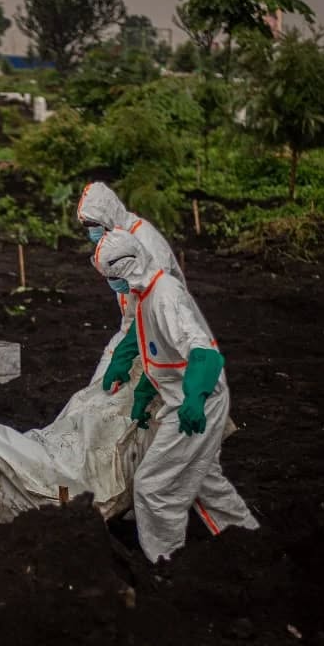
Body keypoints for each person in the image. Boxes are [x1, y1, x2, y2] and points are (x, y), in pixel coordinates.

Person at [92, 230, 257, 562]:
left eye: (112, 278)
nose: (113, 286)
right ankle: (250, 542)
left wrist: (195, 398)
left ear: (127, 268)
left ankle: (166, 561)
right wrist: (139, 391)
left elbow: (203, 353)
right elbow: (156, 352)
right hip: (181, 396)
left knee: (153, 486)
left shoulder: (165, 296)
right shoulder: (144, 295)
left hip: (197, 400)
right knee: (205, 482)